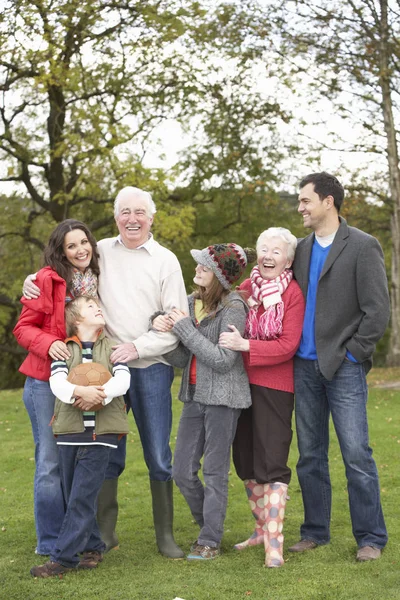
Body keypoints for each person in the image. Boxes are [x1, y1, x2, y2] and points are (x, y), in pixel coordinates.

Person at [24, 187, 189, 557]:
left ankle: (165, 537)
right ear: (116, 218)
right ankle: (104, 534)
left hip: (149, 367)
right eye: (125, 212)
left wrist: (139, 347)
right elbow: (62, 269)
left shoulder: (166, 261)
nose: (132, 219)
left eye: (140, 212)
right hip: (101, 368)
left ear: (152, 217)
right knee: (104, 450)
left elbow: (179, 321)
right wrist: (32, 281)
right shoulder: (101, 253)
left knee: (158, 454)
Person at [288, 172, 390, 562]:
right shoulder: (298, 248)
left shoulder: (363, 246)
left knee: (356, 455)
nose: (300, 207)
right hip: (303, 366)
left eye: (305, 200)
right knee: (309, 455)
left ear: (328, 201)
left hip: (344, 366)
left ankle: (370, 538)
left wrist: (353, 353)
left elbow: (377, 309)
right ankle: (315, 531)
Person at [152, 243, 253, 560]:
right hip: (194, 396)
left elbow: (223, 359)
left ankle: (209, 540)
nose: (197, 269)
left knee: (214, 472)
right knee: (181, 470)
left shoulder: (234, 307)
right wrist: (161, 325)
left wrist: (183, 327)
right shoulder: (191, 303)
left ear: (221, 276)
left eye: (204, 266)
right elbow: (182, 357)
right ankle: (210, 526)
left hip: (224, 397)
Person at [219, 227, 305, 567]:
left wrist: (246, 345)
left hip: (275, 386)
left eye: (277, 251)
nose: (268, 256)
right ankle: (259, 529)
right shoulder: (244, 289)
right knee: (245, 461)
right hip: (240, 385)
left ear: (288, 260)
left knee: (271, 463)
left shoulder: (292, 294)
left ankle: (274, 543)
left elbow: (288, 345)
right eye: (263, 249)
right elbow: (215, 303)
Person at [14, 219, 100, 556]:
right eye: (71, 246)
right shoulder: (46, 280)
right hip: (44, 382)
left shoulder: (96, 281)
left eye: (84, 242)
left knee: (75, 460)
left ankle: (76, 538)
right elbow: (23, 328)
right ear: (60, 251)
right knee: (49, 463)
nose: (80, 250)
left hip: (81, 380)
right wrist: (48, 343)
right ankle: (49, 541)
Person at [30, 296, 130, 578]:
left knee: (82, 498)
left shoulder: (112, 348)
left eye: (99, 305)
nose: (98, 308)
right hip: (70, 434)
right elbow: (57, 383)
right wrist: (79, 392)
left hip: (102, 434)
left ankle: (62, 559)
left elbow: (123, 380)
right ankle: (93, 545)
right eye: (90, 306)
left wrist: (100, 394)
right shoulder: (64, 350)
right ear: (75, 319)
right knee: (75, 495)